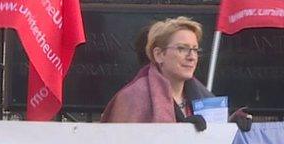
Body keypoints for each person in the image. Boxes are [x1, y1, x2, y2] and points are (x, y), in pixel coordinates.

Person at [102, 16, 251, 131]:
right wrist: (178, 134)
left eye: (195, 50)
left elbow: (216, 143)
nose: (191, 57)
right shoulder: (132, 97)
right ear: (159, 55)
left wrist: (232, 126)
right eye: (182, 49)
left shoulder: (205, 97)